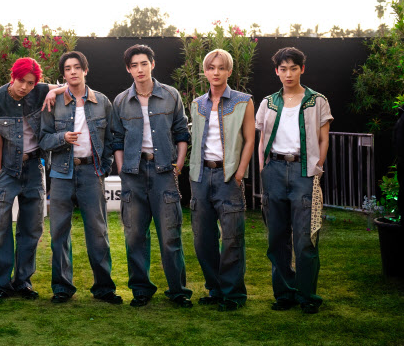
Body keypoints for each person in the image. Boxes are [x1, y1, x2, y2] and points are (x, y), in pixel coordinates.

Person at [111, 44, 193, 308]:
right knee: (135, 236)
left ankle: (178, 291)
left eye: (144, 63)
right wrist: (122, 170)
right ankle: (141, 291)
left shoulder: (170, 95)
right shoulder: (121, 101)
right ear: (128, 69)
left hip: (164, 172)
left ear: (152, 64)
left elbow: (182, 131)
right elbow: (117, 139)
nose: (140, 69)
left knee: (170, 236)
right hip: (133, 173)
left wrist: (179, 165)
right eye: (134, 65)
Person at [39, 51, 122, 304]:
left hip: (91, 172)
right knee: (59, 233)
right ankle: (62, 288)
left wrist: (103, 168)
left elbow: (111, 139)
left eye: (77, 67)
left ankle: (104, 288)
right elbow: (43, 139)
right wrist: (62, 138)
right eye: (67, 68)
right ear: (63, 74)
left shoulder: (102, 101)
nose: (72, 71)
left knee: (98, 232)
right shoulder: (54, 101)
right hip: (61, 174)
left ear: (85, 70)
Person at [256, 47, 332, 315]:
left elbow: (323, 138)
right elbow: (262, 139)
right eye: (283, 69)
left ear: (302, 69)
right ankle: (284, 293)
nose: (288, 74)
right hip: (274, 170)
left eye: (293, 68)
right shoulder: (268, 103)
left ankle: (307, 295)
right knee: (277, 237)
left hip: (304, 172)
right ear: (276, 71)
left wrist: (317, 168)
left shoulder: (317, 101)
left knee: (305, 238)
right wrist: (263, 168)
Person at [0, 57, 66, 301]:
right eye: (21, 81)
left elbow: (71, 86)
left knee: (32, 229)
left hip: (34, 169)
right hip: (7, 171)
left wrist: (53, 92)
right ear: (13, 76)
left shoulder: (40, 91)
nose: (25, 87)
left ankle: (23, 282)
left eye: (31, 83)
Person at [188, 49, 255, 311]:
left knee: (232, 239)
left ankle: (233, 294)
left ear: (229, 71)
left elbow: (249, 140)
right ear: (205, 71)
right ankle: (215, 290)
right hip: (200, 177)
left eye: (221, 68)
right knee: (202, 239)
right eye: (211, 68)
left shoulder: (243, 101)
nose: (216, 72)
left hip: (228, 177)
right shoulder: (197, 104)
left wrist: (239, 173)